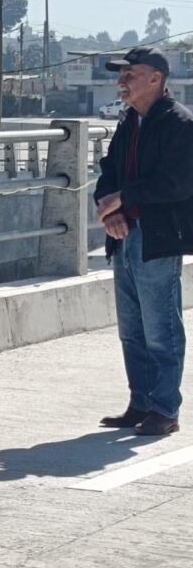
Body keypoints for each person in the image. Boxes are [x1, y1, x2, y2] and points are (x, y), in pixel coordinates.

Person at [95, 46, 193, 437]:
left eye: (130, 74)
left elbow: (177, 184)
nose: (122, 81)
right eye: (121, 75)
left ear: (155, 78)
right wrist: (110, 210)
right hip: (124, 236)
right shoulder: (129, 122)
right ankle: (140, 403)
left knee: (161, 329)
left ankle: (165, 409)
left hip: (157, 238)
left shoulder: (179, 123)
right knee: (131, 330)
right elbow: (108, 172)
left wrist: (124, 197)